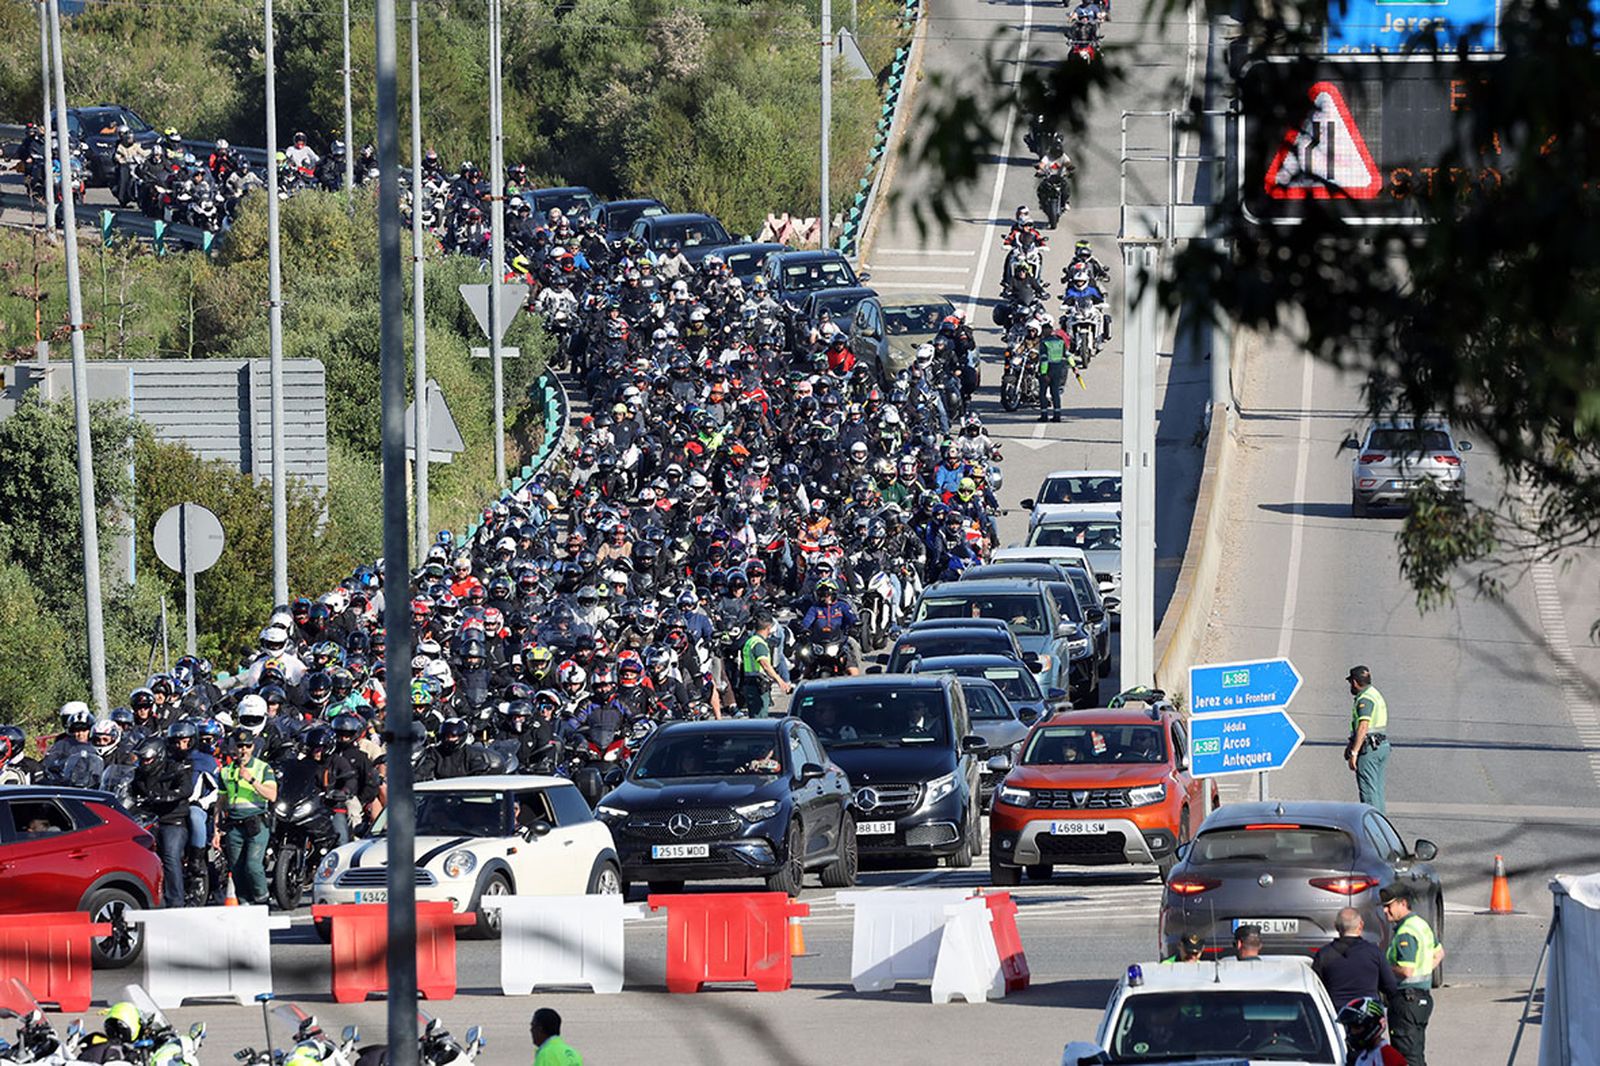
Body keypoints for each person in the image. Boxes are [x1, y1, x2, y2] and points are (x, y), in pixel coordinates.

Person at [1381, 884, 1441, 1066]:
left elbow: (1407, 970)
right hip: (1421, 999)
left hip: (1406, 1002)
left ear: (1403, 903)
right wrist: (1424, 972)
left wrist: (1384, 966)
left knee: (1406, 1057)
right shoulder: (1421, 925)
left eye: (1389, 906)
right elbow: (1439, 954)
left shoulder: (1406, 932)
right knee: (1416, 1053)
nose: (1385, 911)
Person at [218, 730, 278, 905]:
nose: (243, 750)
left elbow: (272, 795)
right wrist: (216, 828)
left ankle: (262, 900)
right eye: (240, 746)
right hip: (234, 825)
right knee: (236, 868)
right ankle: (245, 903)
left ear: (253, 747)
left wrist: (251, 780)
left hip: (256, 823)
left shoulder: (262, 768)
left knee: (252, 866)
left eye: (247, 746)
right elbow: (221, 800)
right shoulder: (226, 771)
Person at [1314, 907, 1398, 1009]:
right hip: (1368, 1015)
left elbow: (1316, 988)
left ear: (1336, 926)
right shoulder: (1374, 953)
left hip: (1335, 1015)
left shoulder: (1324, 954)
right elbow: (1391, 987)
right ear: (1361, 925)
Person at [1344, 665, 1389, 812]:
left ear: (1355, 682)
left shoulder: (1365, 699)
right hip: (1381, 746)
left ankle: (1374, 832)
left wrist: (1354, 753)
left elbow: (1363, 726)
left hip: (1369, 749)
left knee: (1369, 793)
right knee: (1377, 791)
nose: (1351, 685)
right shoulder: (1374, 693)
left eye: (1351, 682)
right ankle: (1382, 828)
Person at [738, 612, 791, 717]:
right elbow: (765, 665)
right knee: (761, 718)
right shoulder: (759, 644)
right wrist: (780, 681)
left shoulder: (750, 641)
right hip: (758, 685)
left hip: (749, 683)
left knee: (754, 717)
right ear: (768, 627)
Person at [1337, 996, 1408, 1066]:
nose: (1352, 1032)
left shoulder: (1388, 1056)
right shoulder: (1362, 1056)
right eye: (1350, 1028)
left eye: (1356, 1027)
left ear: (1371, 1025)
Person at [1037, 326, 1069, 422]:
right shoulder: (1060, 341)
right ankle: (1057, 415)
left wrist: (1043, 373)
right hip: (1058, 369)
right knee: (1055, 393)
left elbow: (1044, 359)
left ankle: (1044, 415)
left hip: (1048, 369)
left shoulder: (1044, 342)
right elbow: (1066, 355)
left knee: (1042, 393)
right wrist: (1074, 367)